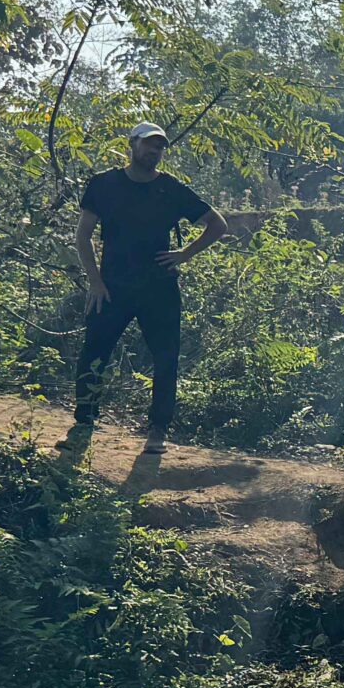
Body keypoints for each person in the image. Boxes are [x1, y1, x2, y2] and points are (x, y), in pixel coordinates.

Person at [72, 122, 228, 452]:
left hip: (159, 288)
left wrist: (185, 254)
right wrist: (95, 281)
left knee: (165, 358)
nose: (154, 152)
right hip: (112, 286)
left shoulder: (170, 189)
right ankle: (83, 424)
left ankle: (157, 431)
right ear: (132, 145)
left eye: (159, 147)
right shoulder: (104, 184)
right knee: (94, 353)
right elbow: (83, 235)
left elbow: (218, 224)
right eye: (148, 145)